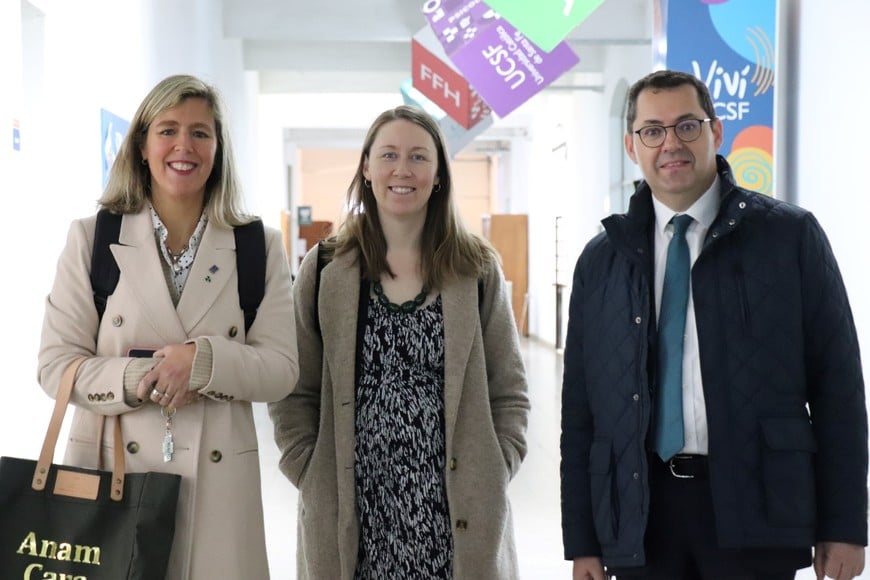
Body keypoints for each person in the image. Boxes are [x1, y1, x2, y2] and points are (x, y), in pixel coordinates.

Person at [560, 69, 867, 580]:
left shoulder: (788, 237)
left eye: (686, 125)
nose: (670, 144)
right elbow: (581, 412)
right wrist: (584, 542)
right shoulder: (603, 260)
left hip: (756, 505)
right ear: (632, 146)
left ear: (715, 132)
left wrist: (845, 524)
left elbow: (839, 389)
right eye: (652, 130)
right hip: (641, 512)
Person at [37, 74, 298, 580]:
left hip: (218, 493)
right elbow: (55, 366)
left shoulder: (255, 246)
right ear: (141, 144)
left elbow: (281, 369)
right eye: (168, 130)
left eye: (200, 132)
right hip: (112, 478)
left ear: (218, 148)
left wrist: (202, 363)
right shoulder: (93, 238)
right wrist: (141, 378)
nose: (184, 146)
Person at [268, 105, 530, 579]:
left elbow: (509, 389)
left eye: (418, 157)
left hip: (454, 515)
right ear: (366, 168)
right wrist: (308, 470)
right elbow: (294, 388)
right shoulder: (326, 269)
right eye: (388, 155)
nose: (402, 170)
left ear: (438, 174)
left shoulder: (476, 270)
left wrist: (495, 466)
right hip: (353, 515)